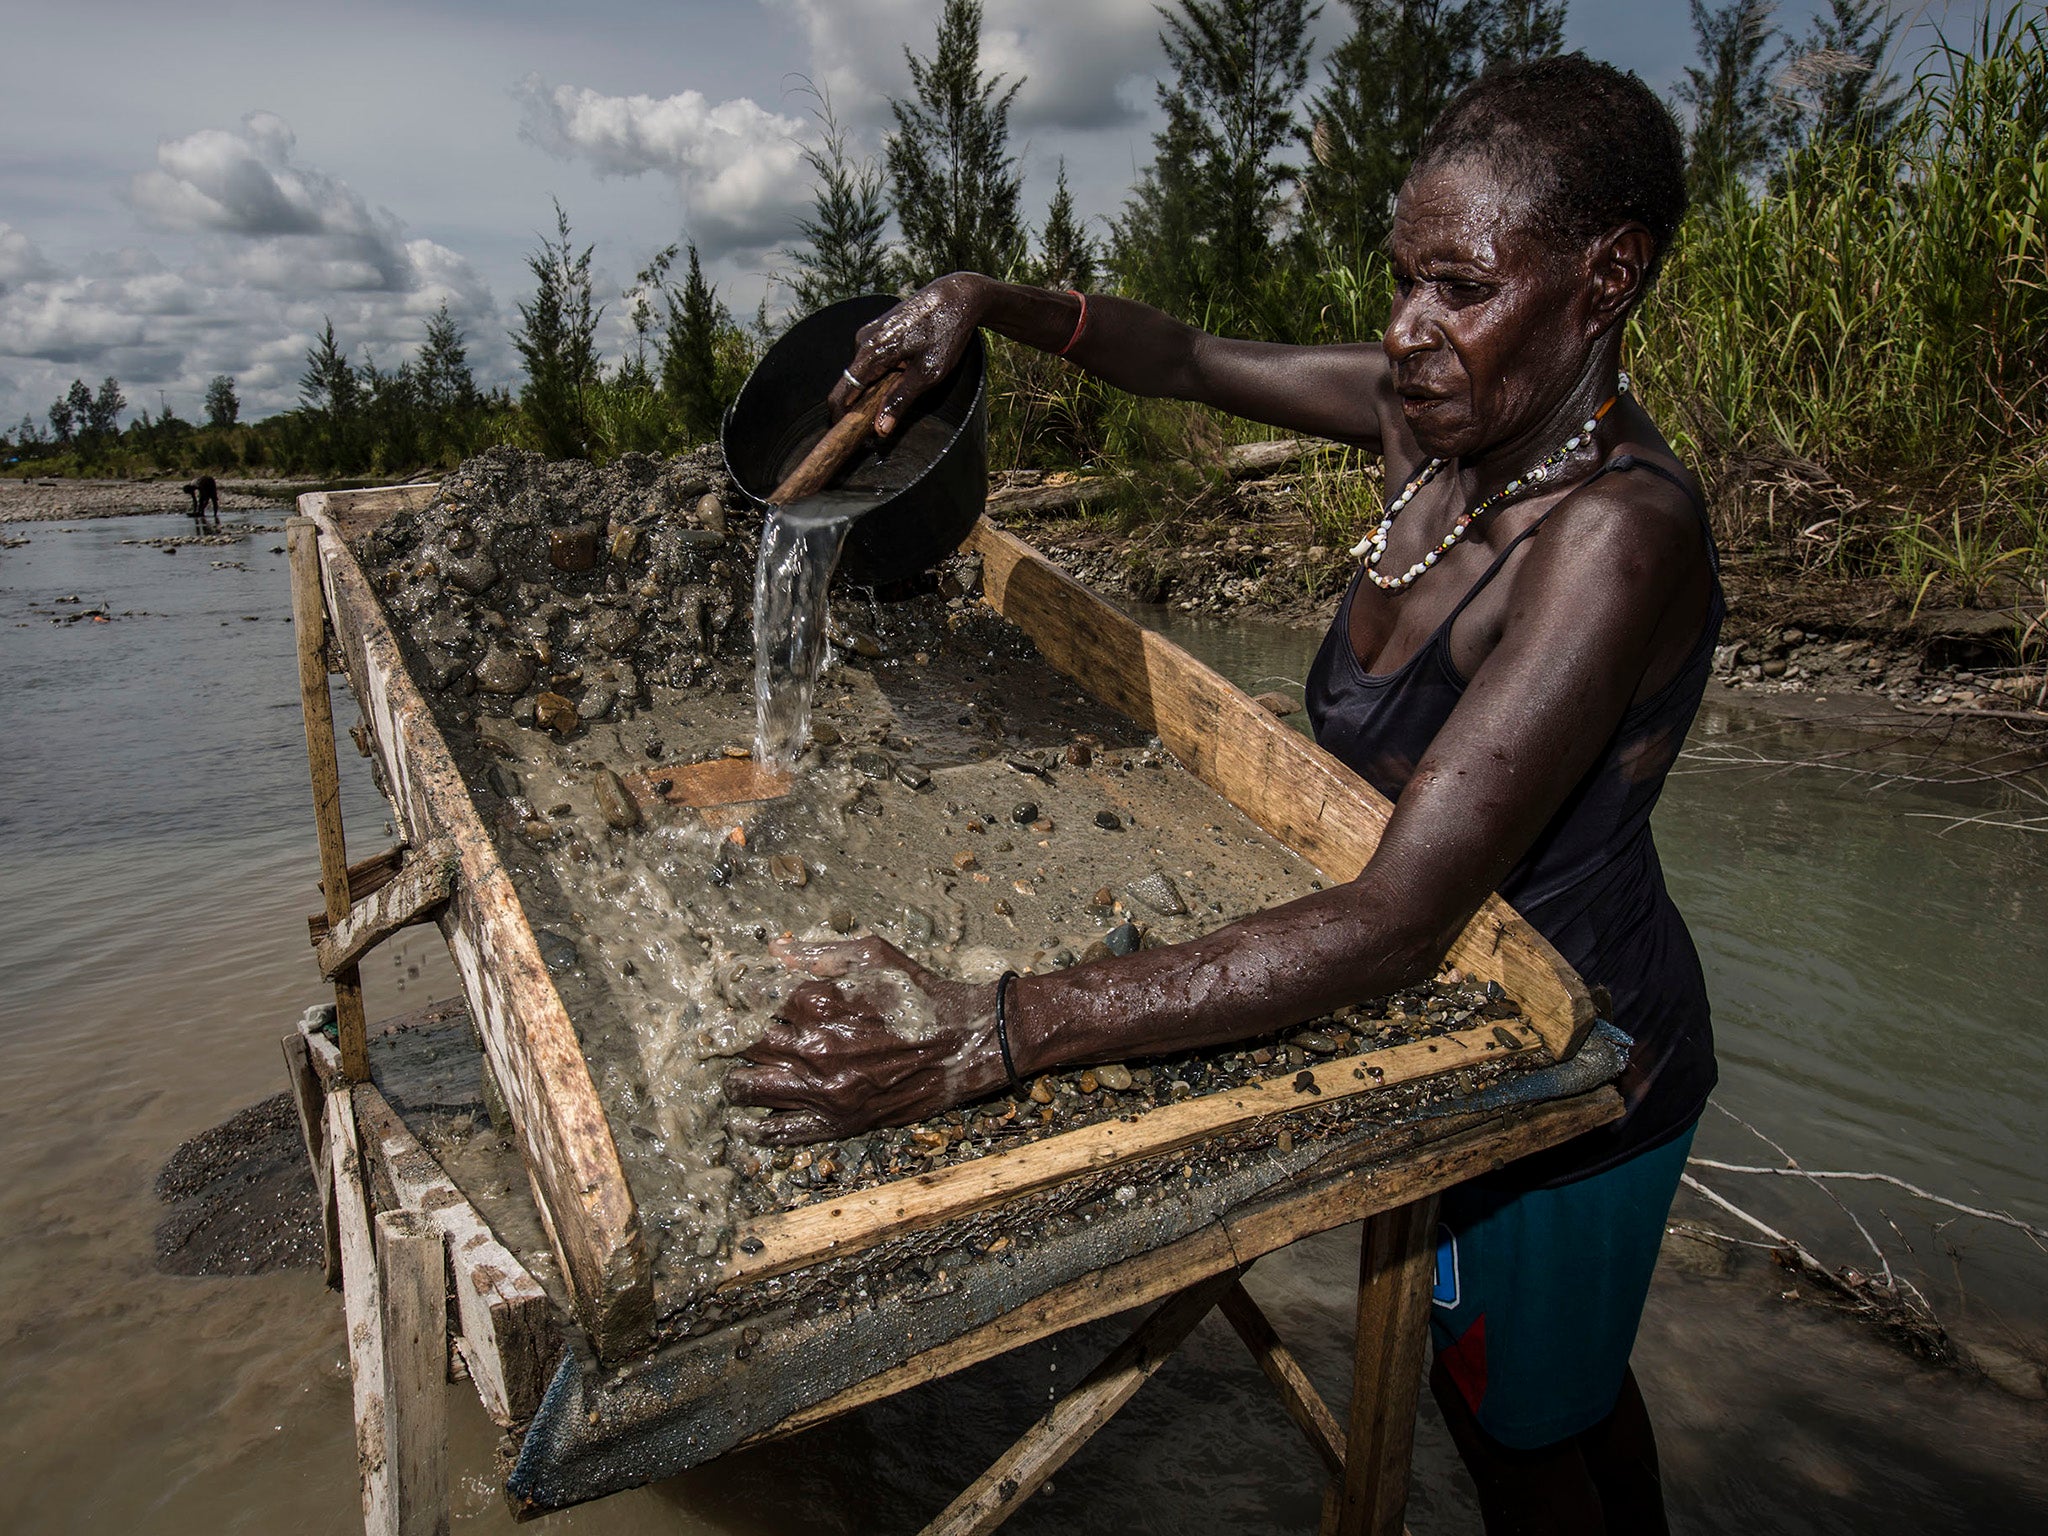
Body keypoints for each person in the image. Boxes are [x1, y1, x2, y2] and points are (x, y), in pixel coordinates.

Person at [729, 56, 1716, 1535]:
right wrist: (983, 301)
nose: (1406, 332)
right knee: (1539, 1390)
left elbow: (1393, 920)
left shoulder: (1611, 540)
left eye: (1460, 287)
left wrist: (999, 1026)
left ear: (1607, 278)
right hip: (1441, 1015)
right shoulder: (1433, 431)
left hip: (1575, 1050)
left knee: (1515, 1422)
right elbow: (1184, 356)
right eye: (1401, 281)